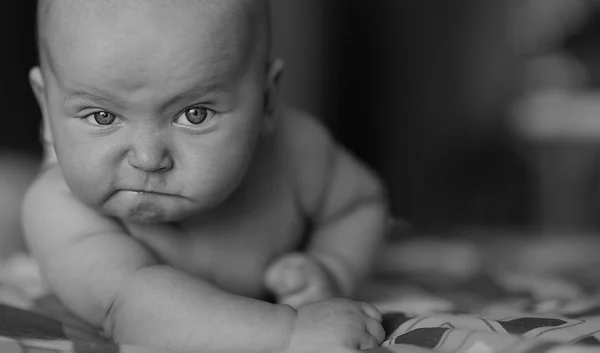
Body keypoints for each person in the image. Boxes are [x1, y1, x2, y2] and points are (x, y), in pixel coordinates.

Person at [23, 0, 388, 351]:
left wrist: (332, 268)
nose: (148, 159)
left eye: (195, 114)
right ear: (46, 106)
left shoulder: (296, 151)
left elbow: (360, 204)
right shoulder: (60, 212)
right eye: (102, 116)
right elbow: (138, 308)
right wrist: (290, 334)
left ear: (267, 99)